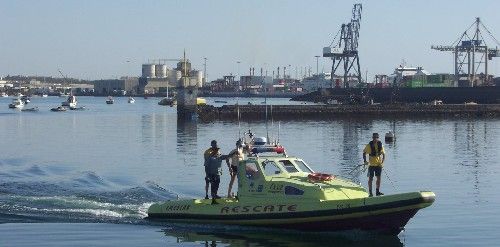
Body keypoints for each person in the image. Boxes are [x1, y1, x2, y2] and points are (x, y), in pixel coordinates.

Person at [363, 133, 386, 197]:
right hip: (371, 165)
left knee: (378, 178)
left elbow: (384, 155)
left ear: (378, 138)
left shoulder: (380, 144)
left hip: (378, 165)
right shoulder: (369, 145)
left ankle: (377, 191)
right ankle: (370, 192)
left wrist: (382, 162)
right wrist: (365, 161)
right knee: (371, 178)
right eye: (374, 138)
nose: (375, 139)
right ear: (372, 138)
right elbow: (364, 153)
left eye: (376, 137)